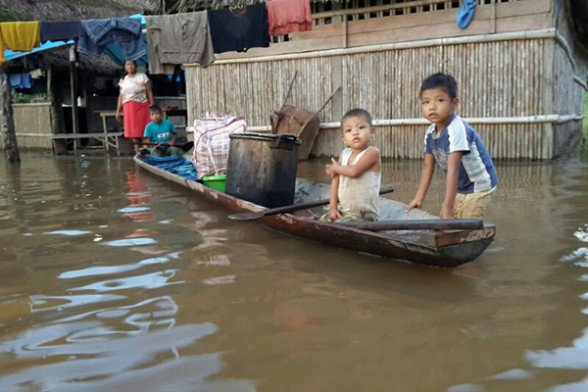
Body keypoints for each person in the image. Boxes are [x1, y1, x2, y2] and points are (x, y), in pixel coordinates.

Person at [407, 73, 498, 219]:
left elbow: (453, 169)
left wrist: (448, 207)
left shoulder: (457, 129)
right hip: (460, 186)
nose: (432, 107)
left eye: (440, 100)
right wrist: (418, 199)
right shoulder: (431, 132)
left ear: (454, 103)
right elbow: (427, 166)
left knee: (466, 224)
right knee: (450, 218)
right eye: (426, 102)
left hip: (478, 187)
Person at [323, 108, 381, 222]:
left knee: (344, 223)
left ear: (372, 132)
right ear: (344, 139)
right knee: (323, 219)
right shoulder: (344, 154)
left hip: (366, 214)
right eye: (349, 130)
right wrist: (333, 208)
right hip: (346, 211)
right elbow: (335, 181)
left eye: (361, 127)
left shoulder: (373, 152)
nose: (355, 132)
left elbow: (354, 172)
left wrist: (335, 168)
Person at [116, 60, 154, 154]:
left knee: (144, 131)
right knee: (134, 133)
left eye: (132, 64)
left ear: (135, 66)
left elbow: (149, 92)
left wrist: (152, 105)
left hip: (142, 106)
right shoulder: (123, 80)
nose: (130, 66)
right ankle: (138, 153)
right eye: (127, 64)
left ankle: (146, 151)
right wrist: (118, 110)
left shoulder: (142, 76)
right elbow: (121, 96)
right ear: (125, 67)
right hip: (128, 108)